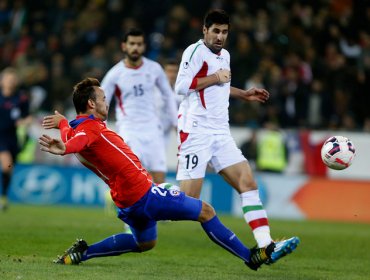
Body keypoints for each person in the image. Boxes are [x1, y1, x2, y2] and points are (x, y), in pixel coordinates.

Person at [40, 77, 299, 270]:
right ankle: (252, 257)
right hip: (143, 195)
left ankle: (82, 253)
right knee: (206, 211)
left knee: (145, 243)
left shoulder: (76, 128)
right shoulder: (89, 130)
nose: (107, 102)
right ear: (91, 103)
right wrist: (64, 148)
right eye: (104, 98)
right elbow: (76, 142)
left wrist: (63, 124)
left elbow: (71, 137)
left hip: (127, 200)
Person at [175, 9, 295, 251]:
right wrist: (216, 77)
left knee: (248, 183)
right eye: (216, 31)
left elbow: (220, 87)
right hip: (196, 131)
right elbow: (181, 86)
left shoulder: (225, 55)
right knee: (187, 204)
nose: (220, 37)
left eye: (224, 32)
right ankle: (150, 194)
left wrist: (244, 94)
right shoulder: (195, 52)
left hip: (220, 132)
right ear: (205, 30)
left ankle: (266, 245)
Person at [101, 28, 178, 184]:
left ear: (144, 47)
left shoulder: (154, 69)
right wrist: (102, 128)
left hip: (153, 130)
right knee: (134, 178)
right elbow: (101, 102)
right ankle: (124, 207)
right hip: (129, 131)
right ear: (124, 46)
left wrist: (177, 123)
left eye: (139, 44)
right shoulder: (115, 74)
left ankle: (157, 209)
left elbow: (168, 95)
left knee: (159, 180)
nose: (135, 47)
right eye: (132, 44)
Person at [0, 67, 32, 211]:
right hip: (1, 136)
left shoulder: (21, 98)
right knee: (6, 162)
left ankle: (4, 196)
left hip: (13, 137)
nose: (10, 82)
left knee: (9, 169)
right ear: (2, 81)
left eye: (13, 80)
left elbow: (28, 116)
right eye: (8, 79)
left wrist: (24, 122)